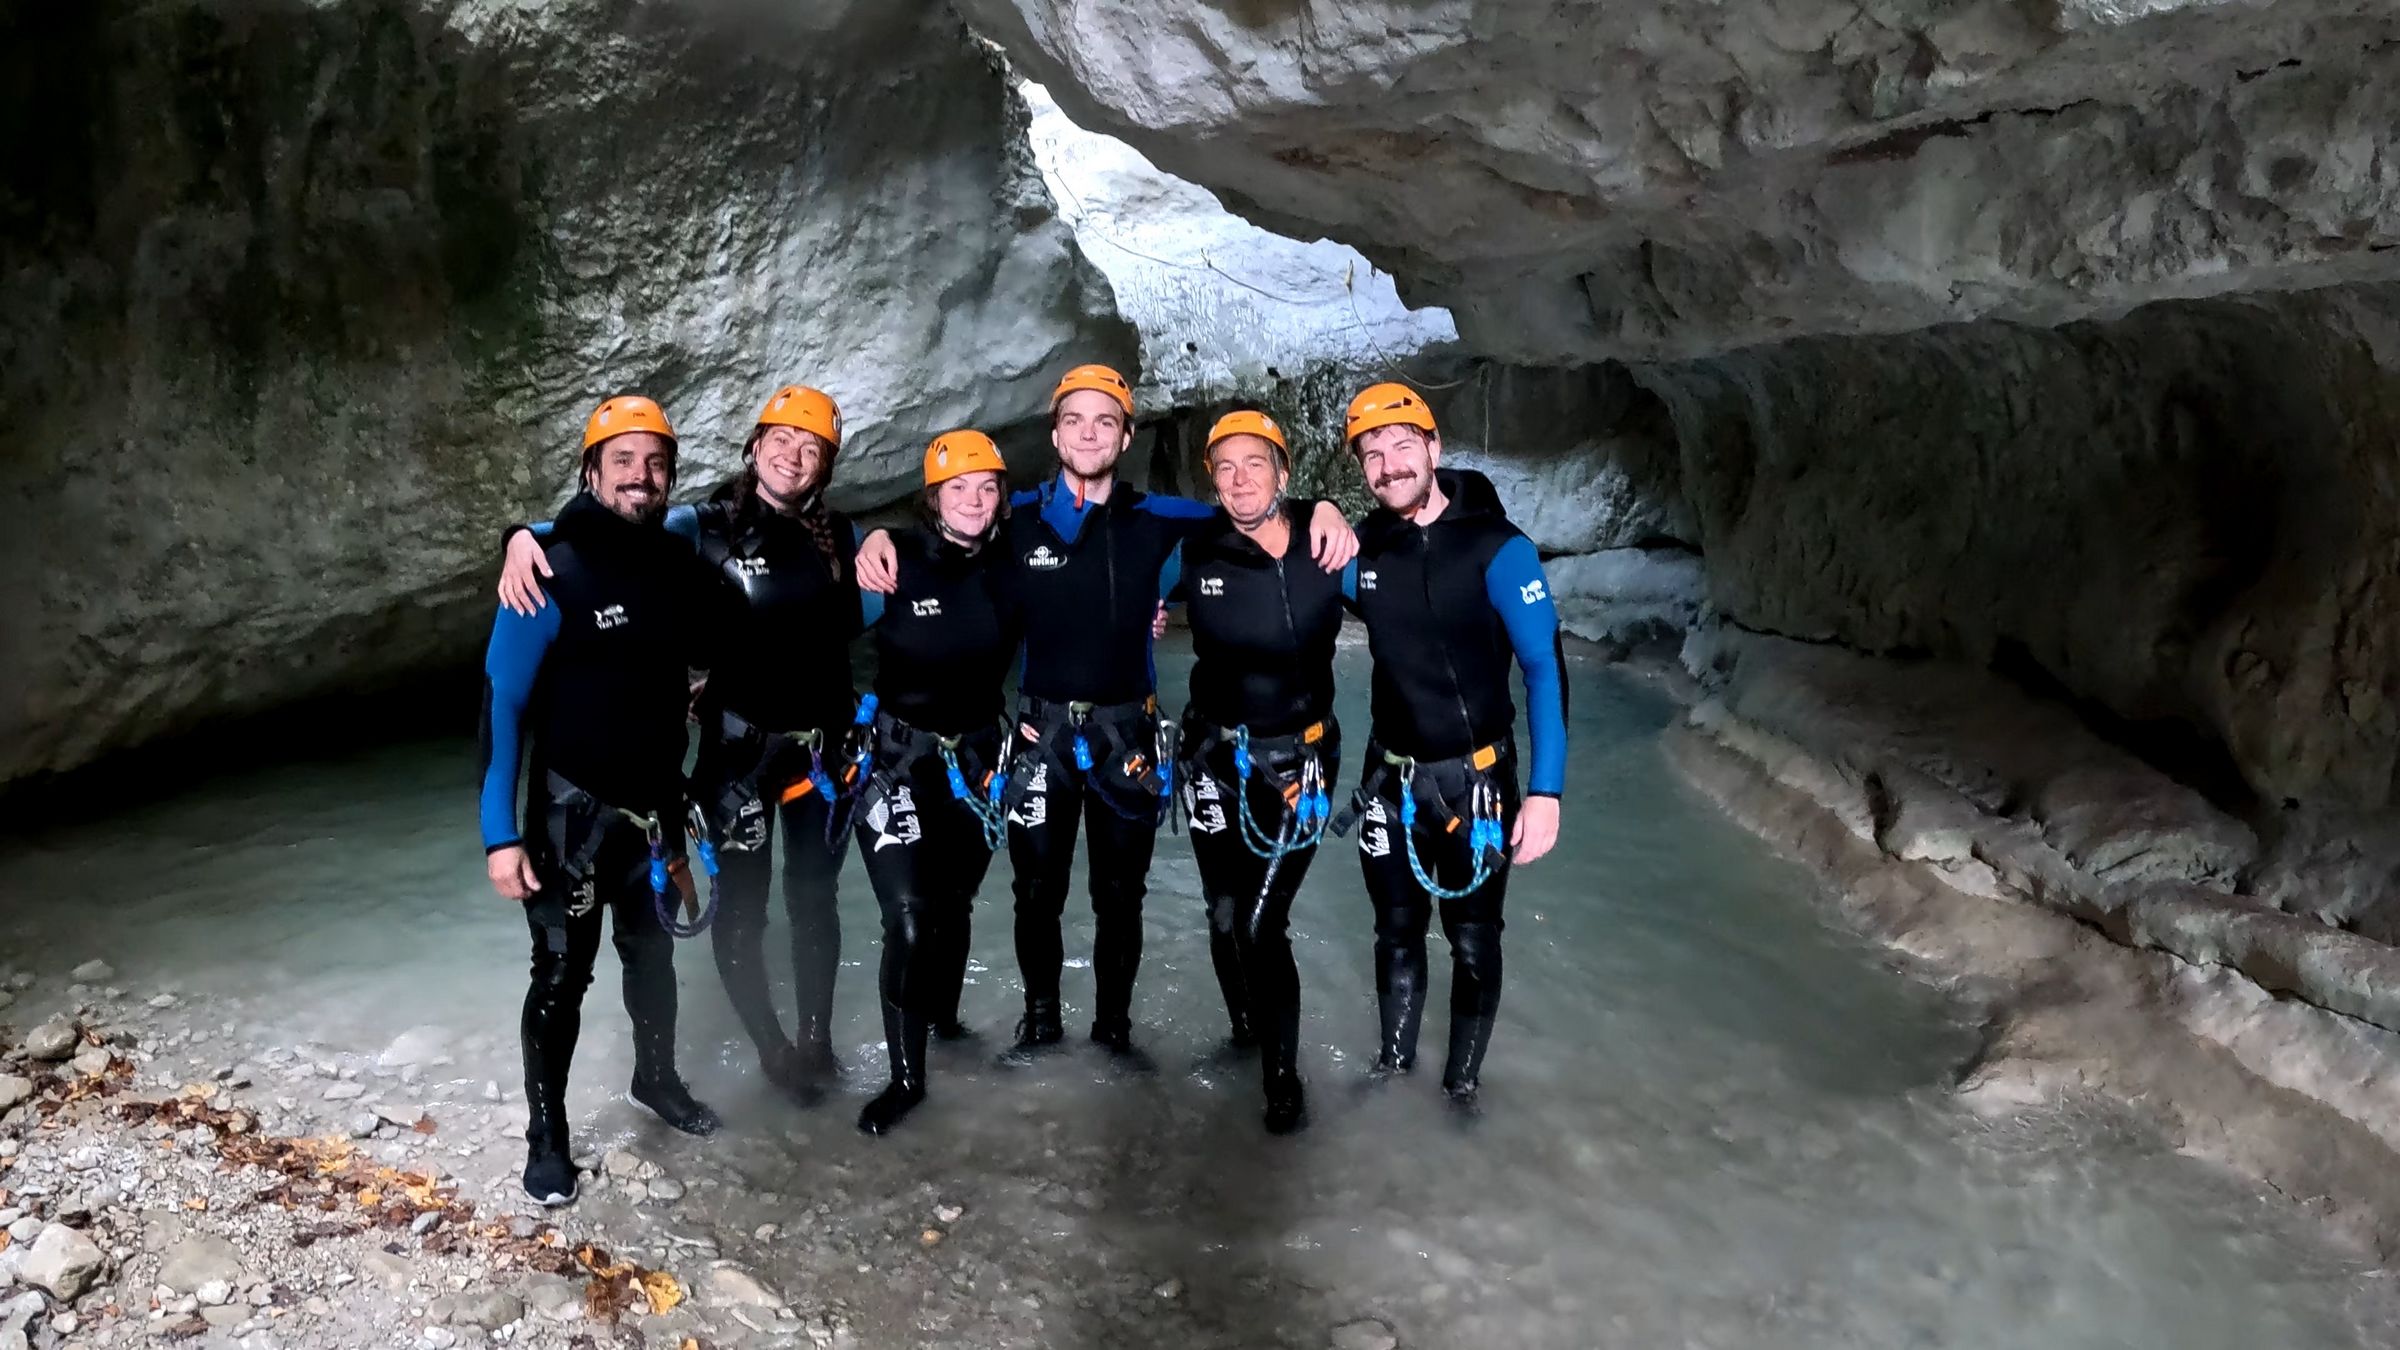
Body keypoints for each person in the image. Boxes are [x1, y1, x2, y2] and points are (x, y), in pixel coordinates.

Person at [857, 363, 1357, 1064]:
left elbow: (1249, 507)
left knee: (1121, 895)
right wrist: (879, 538)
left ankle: (1113, 1033)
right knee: (1036, 892)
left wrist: (1322, 508)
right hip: (1041, 736)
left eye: (1105, 421)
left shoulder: (1159, 519)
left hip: (1128, 735)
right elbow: (943, 538)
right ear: (1055, 434)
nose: (1088, 434)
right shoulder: (1014, 517)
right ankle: (1040, 1025)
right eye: (1074, 420)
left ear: (1125, 436)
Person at [498, 385, 866, 1103]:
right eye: (781, 439)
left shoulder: (842, 537)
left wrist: (882, 541)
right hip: (737, 757)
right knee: (742, 914)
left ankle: (817, 1043)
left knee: (816, 902)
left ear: (826, 466)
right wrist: (520, 535)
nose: (794, 456)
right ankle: (774, 1052)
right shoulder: (701, 526)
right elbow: (609, 526)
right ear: (753, 447)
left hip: (821, 754)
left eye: (811, 448)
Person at [479, 394, 730, 1206]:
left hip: (655, 812)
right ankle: (547, 1138)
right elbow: (502, 707)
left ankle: (655, 1080)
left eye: (655, 463)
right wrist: (499, 837)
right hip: (572, 818)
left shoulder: (674, 556)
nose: (640, 476)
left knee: (652, 957)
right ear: (591, 471)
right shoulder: (548, 569)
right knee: (561, 975)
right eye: (622, 460)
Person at [1336, 381, 1566, 1112]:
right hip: (1389, 780)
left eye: (1403, 445)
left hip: (1480, 781)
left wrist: (1547, 793)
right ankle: (1393, 1069)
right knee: (1395, 932)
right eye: (1372, 454)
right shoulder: (1363, 549)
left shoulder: (1498, 548)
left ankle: (1461, 1087)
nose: (1389, 465)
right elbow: (1284, 578)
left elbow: (1543, 669)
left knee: (1473, 938)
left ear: (1434, 447)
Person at [1169, 410, 1345, 1134]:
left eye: (1256, 464)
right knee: (1223, 912)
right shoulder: (1195, 551)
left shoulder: (1328, 548)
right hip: (1211, 756)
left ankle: (1281, 1075)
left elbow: (1429, 537)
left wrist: (1328, 506)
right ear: (1212, 481)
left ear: (1284, 472)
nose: (1241, 480)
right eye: (1225, 468)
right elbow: (1105, 572)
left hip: (1301, 759)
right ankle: (1246, 1031)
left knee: (1261, 920)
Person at [847, 430, 1023, 1134]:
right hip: (896, 762)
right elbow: (804, 625)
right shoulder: (895, 560)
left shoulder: (1013, 565)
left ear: (1002, 497)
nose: (974, 501)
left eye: (987, 488)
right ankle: (906, 1079)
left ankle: (945, 1025)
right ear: (933, 498)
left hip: (978, 761)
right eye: (958, 488)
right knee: (911, 917)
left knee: (954, 905)